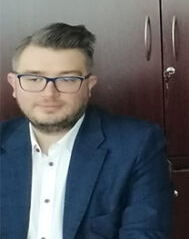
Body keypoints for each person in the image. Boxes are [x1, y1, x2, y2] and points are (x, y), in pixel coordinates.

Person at [1, 23, 173, 239]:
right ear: (14, 84)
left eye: (67, 79)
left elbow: (145, 233)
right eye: (34, 79)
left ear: (89, 85)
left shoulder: (137, 145)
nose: (49, 94)